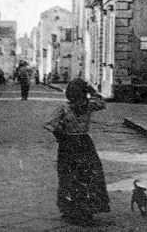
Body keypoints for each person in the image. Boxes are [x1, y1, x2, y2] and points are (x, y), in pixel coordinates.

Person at [45, 79, 110, 226]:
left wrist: (61, 136)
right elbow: (102, 103)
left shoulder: (63, 108)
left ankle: (71, 208)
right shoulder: (89, 106)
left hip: (68, 144)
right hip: (84, 142)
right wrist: (93, 91)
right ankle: (87, 209)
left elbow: (50, 125)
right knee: (88, 175)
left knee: (69, 175)